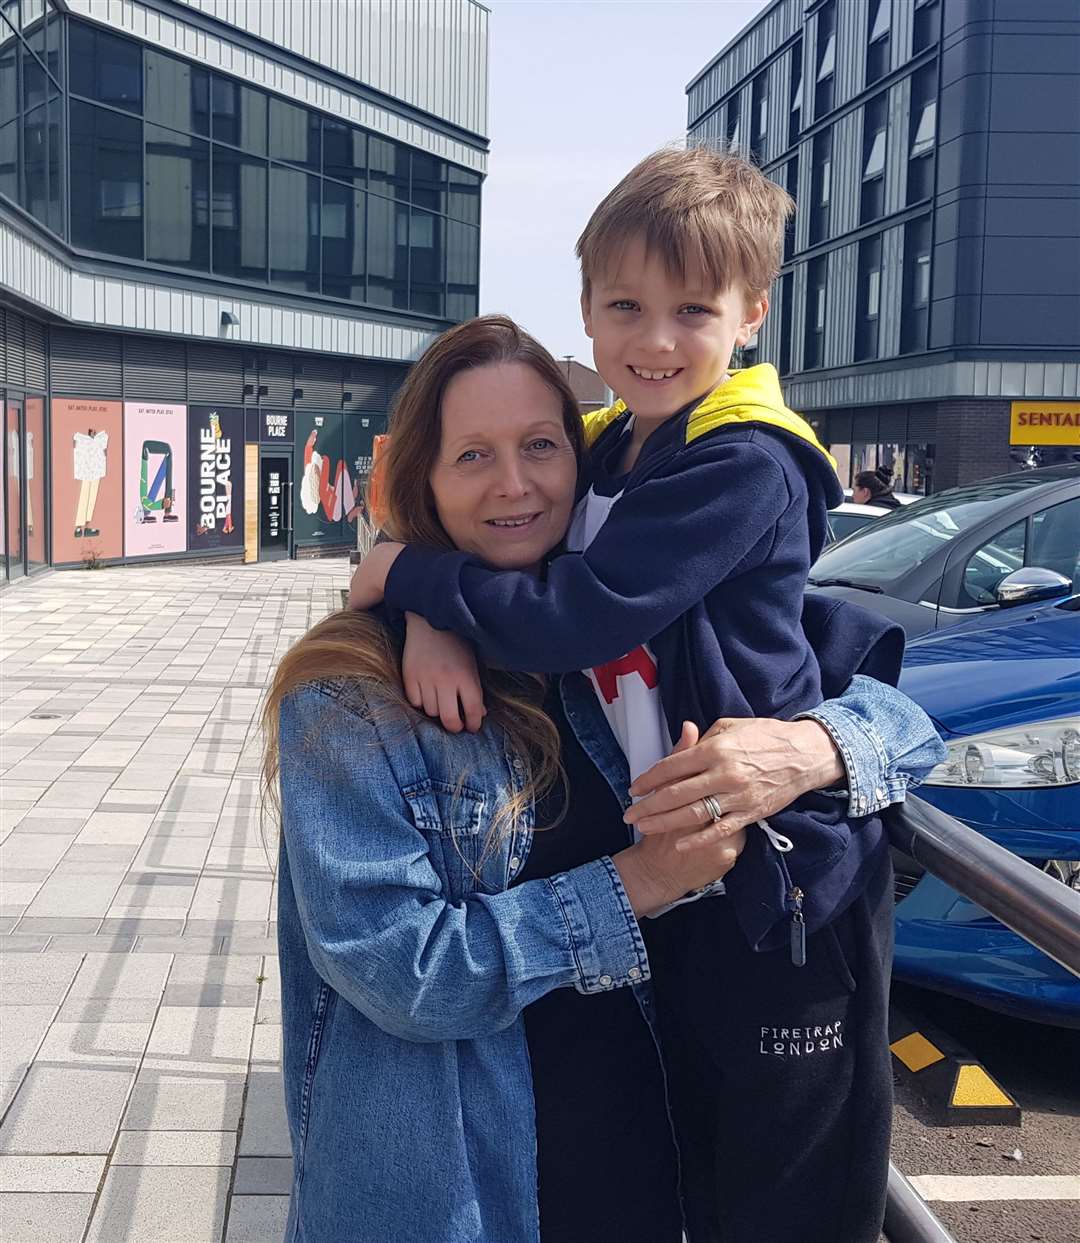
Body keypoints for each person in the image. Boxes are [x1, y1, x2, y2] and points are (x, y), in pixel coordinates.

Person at [348, 148, 946, 1242]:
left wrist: (417, 579)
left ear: (752, 313)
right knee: (688, 1172)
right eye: (626, 305)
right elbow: (481, 498)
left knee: (783, 1201)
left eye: (692, 309)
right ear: (585, 310)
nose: (656, 340)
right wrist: (422, 595)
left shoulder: (742, 461)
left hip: (783, 892)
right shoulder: (608, 443)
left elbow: (579, 611)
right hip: (675, 887)